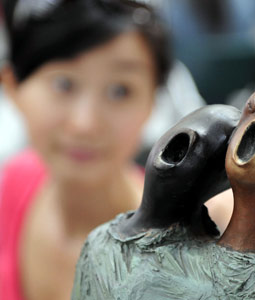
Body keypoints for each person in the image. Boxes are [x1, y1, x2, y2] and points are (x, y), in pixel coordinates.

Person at [0, 1, 171, 299]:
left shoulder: (184, 251)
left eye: (120, 90)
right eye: (64, 83)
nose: (85, 124)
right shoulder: (10, 186)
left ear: (152, 101)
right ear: (13, 87)